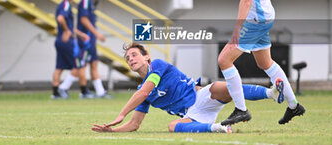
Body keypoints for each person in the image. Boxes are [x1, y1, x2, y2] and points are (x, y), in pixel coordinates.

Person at [200, 0, 305, 125]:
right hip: (264, 16)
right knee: (265, 62)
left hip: (256, 18)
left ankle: (241, 110)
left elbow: (247, 0)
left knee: (224, 60)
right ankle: (294, 106)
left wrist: (238, 28)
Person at [91, 42, 284, 133]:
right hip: (193, 114)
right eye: (128, 58)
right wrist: (112, 131)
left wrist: (121, 114)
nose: (131, 59)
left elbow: (143, 92)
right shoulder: (143, 91)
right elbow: (135, 125)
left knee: (219, 86)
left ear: (146, 56)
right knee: (173, 126)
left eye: (134, 55)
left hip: (201, 96)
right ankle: (217, 128)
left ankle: (271, 93)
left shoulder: (157, 65)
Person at [52, 0, 92, 99]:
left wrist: (80, 34)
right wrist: (66, 31)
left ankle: (55, 93)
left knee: (59, 67)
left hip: (59, 40)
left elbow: (69, 25)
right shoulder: (66, 5)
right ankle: (83, 91)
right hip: (67, 41)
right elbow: (61, 19)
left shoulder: (62, 5)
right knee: (80, 64)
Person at [77, 0, 111, 98]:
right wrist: (96, 34)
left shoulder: (90, 2)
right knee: (83, 64)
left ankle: (100, 92)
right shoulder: (85, 1)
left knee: (94, 63)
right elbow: (83, 19)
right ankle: (83, 91)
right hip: (85, 39)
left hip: (90, 39)